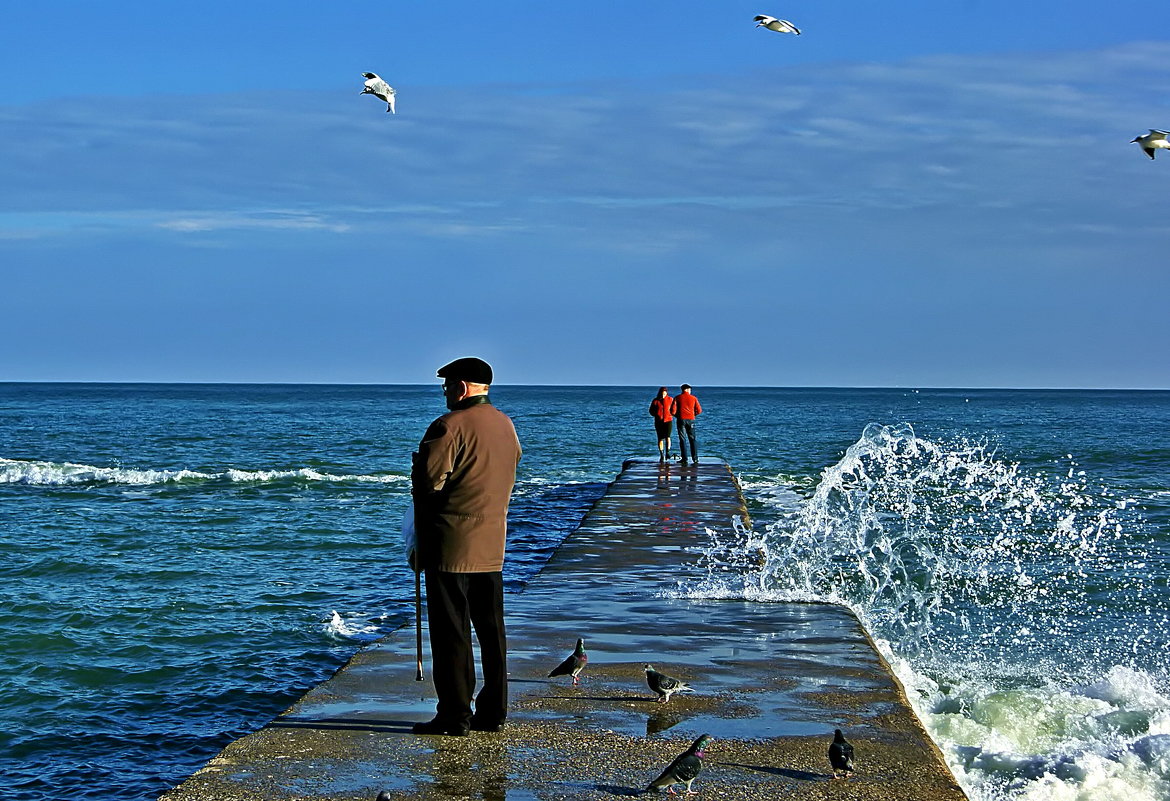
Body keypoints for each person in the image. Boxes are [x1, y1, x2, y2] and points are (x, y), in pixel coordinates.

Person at [408, 357, 522, 736]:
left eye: (446, 386)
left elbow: (428, 483)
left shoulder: (448, 426)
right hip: (492, 543)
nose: (444, 392)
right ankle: (494, 711)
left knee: (450, 632)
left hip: (450, 545)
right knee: (492, 632)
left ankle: (455, 714)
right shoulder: (506, 425)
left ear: (460, 387)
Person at [671, 384, 702, 465]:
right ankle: (695, 458)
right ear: (688, 390)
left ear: (682, 390)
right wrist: (693, 414)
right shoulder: (694, 398)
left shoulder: (677, 398)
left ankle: (684, 458)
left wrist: (677, 416)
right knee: (692, 439)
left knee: (682, 439)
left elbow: (673, 411)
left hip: (681, 419)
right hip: (691, 419)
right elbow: (699, 410)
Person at [648, 386, 674, 463]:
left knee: (668, 437)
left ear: (666, 393)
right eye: (662, 393)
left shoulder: (670, 400)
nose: (663, 394)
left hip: (668, 420)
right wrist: (657, 415)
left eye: (664, 393)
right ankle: (662, 454)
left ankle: (668, 452)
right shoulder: (655, 401)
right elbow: (651, 411)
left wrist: (671, 414)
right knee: (660, 438)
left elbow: (674, 409)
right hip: (658, 421)